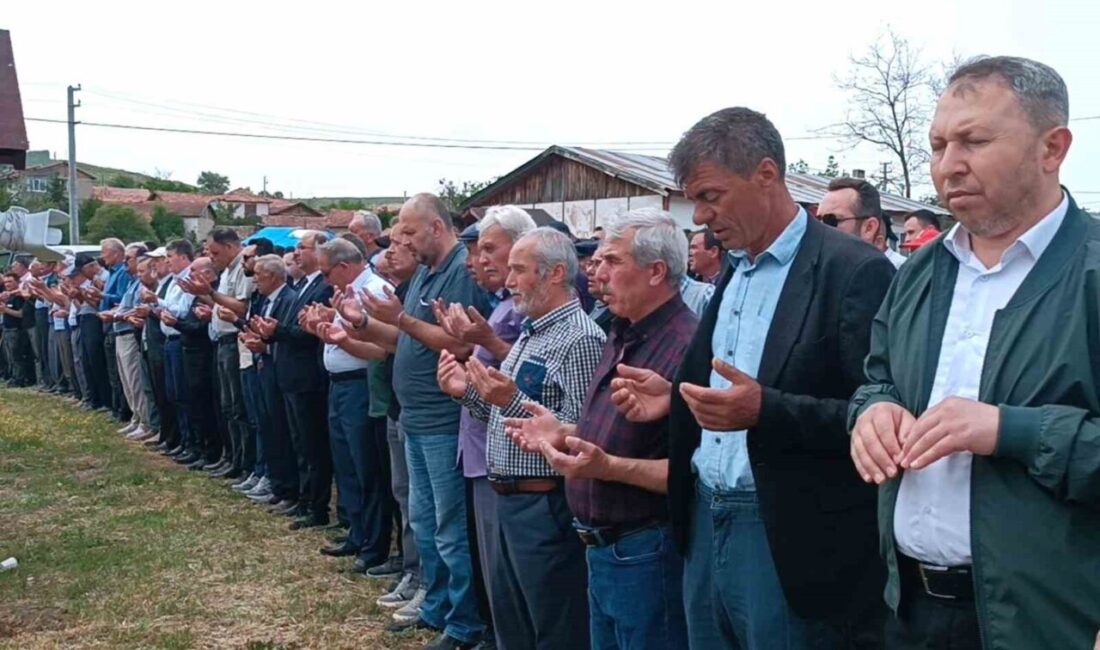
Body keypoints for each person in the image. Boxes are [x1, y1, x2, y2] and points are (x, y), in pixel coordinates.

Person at [849, 55, 1100, 650]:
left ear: (1052, 148)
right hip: (911, 610)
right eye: (938, 145)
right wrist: (872, 412)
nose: (948, 166)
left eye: (975, 141)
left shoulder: (1089, 272)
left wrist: (1009, 431)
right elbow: (877, 378)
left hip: (1048, 623)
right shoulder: (918, 273)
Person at [659, 107, 894, 649]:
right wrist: (669, 395)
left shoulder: (853, 270)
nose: (701, 217)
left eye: (711, 196)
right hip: (706, 516)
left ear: (766, 174)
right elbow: (724, 382)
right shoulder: (737, 268)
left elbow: (879, 414)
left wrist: (766, 410)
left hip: (787, 536)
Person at [504, 207, 695, 649]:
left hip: (647, 550)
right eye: (598, 260)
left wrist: (606, 467)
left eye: (612, 260)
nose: (597, 271)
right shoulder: (621, 331)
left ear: (656, 272)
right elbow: (616, 436)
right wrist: (565, 431)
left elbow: (694, 470)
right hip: (604, 548)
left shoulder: (688, 344)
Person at [439, 226, 603, 650]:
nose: (509, 280)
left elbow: (582, 433)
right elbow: (503, 416)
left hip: (545, 505)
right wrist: (466, 393)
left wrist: (509, 399)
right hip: (511, 500)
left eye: (519, 270)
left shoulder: (581, 338)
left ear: (556, 273)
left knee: (554, 626)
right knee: (513, 624)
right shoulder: (532, 332)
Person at [343, 193, 488, 648]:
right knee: (424, 522)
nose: (399, 241)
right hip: (415, 418)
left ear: (436, 228)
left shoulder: (459, 272)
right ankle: (437, 605)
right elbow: (402, 338)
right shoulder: (425, 271)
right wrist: (360, 324)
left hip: (445, 419)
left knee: (450, 527)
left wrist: (402, 318)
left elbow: (460, 344)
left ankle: (464, 623)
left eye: (408, 231)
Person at [436, 205, 535, 650]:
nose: (479, 260)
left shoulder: (529, 311)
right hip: (484, 448)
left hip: (514, 457)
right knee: (493, 566)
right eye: (479, 251)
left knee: (509, 574)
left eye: (490, 249)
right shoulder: (501, 306)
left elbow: (530, 384)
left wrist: (481, 344)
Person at [308, 238, 394, 573]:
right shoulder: (349, 291)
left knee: (366, 467)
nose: (324, 280)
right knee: (347, 464)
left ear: (344, 266)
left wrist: (342, 335)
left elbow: (381, 344)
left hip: (361, 384)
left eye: (326, 273)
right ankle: (357, 532)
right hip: (340, 384)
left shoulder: (375, 291)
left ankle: (374, 543)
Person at [251, 231, 334, 530]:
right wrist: (272, 334)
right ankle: (305, 499)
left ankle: (316, 505)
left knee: (312, 446)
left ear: (320, 252)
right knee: (300, 444)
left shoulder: (322, 287)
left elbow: (309, 334)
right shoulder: (303, 285)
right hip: (291, 375)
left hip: (307, 378)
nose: (296, 253)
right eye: (297, 248)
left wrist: (276, 332)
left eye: (303, 247)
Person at [182, 228, 255, 480]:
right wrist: (203, 295)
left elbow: (242, 307)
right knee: (227, 405)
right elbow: (221, 304)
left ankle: (244, 463)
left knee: (238, 407)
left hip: (235, 341)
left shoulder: (243, 269)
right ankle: (232, 457)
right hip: (222, 341)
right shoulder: (227, 270)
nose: (212, 258)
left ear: (230, 247)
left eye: (214, 252)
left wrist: (211, 294)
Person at [240, 254, 301, 511]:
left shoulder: (289, 299)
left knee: (281, 430)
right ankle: (277, 485)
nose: (255, 280)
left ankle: (289, 488)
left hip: (280, 371)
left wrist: (264, 346)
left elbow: (287, 338)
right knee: (268, 426)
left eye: (259, 275)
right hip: (263, 369)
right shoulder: (265, 300)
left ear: (274, 277)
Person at [105, 243, 153, 441]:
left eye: (129, 259)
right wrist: (116, 312)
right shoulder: (133, 282)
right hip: (120, 331)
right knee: (126, 379)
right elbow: (124, 306)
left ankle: (145, 421)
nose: (125, 263)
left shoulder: (142, 285)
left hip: (129, 332)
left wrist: (118, 315)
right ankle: (136, 417)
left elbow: (136, 308)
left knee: (135, 379)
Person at [819, 177, 907, 268]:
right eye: (816, 220)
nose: (819, 229)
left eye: (830, 220)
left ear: (869, 228)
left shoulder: (894, 270)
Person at [95, 238, 134, 423]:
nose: (102, 256)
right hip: (108, 323)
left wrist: (102, 295)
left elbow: (120, 298)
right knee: (113, 369)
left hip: (117, 323)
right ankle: (117, 407)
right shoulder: (112, 272)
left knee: (119, 372)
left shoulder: (123, 273)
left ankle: (123, 411)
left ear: (116, 253)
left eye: (104, 252)